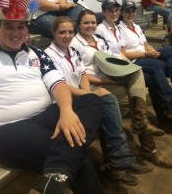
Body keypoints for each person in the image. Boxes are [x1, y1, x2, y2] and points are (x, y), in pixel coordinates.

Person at [0, 0, 105, 194]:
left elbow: (58, 83)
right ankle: (56, 176)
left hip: (45, 116)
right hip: (8, 130)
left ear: (27, 30)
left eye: (21, 26)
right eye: (8, 27)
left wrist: (67, 111)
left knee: (93, 101)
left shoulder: (37, 54)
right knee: (77, 153)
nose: (15, 32)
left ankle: (53, 178)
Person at [45, 16, 153, 186]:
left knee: (109, 100)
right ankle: (119, 162)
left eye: (70, 32)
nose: (67, 36)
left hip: (80, 95)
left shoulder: (72, 52)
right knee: (108, 101)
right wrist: (89, 96)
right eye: (62, 32)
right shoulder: (48, 56)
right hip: (64, 100)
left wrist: (88, 95)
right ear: (53, 33)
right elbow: (61, 86)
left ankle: (120, 161)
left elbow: (82, 75)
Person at [70, 9, 172, 169]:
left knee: (136, 72)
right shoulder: (75, 44)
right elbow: (80, 74)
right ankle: (148, 147)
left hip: (110, 77)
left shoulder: (99, 39)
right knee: (136, 100)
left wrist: (120, 72)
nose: (90, 25)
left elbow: (111, 59)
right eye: (86, 23)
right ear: (78, 25)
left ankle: (140, 122)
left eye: (92, 22)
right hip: (95, 83)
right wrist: (106, 80)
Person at [119, 0, 172, 133]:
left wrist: (150, 49)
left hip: (146, 54)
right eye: (127, 11)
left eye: (132, 11)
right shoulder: (119, 29)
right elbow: (124, 53)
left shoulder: (136, 26)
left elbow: (145, 43)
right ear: (122, 13)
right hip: (136, 60)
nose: (130, 14)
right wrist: (145, 53)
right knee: (158, 68)